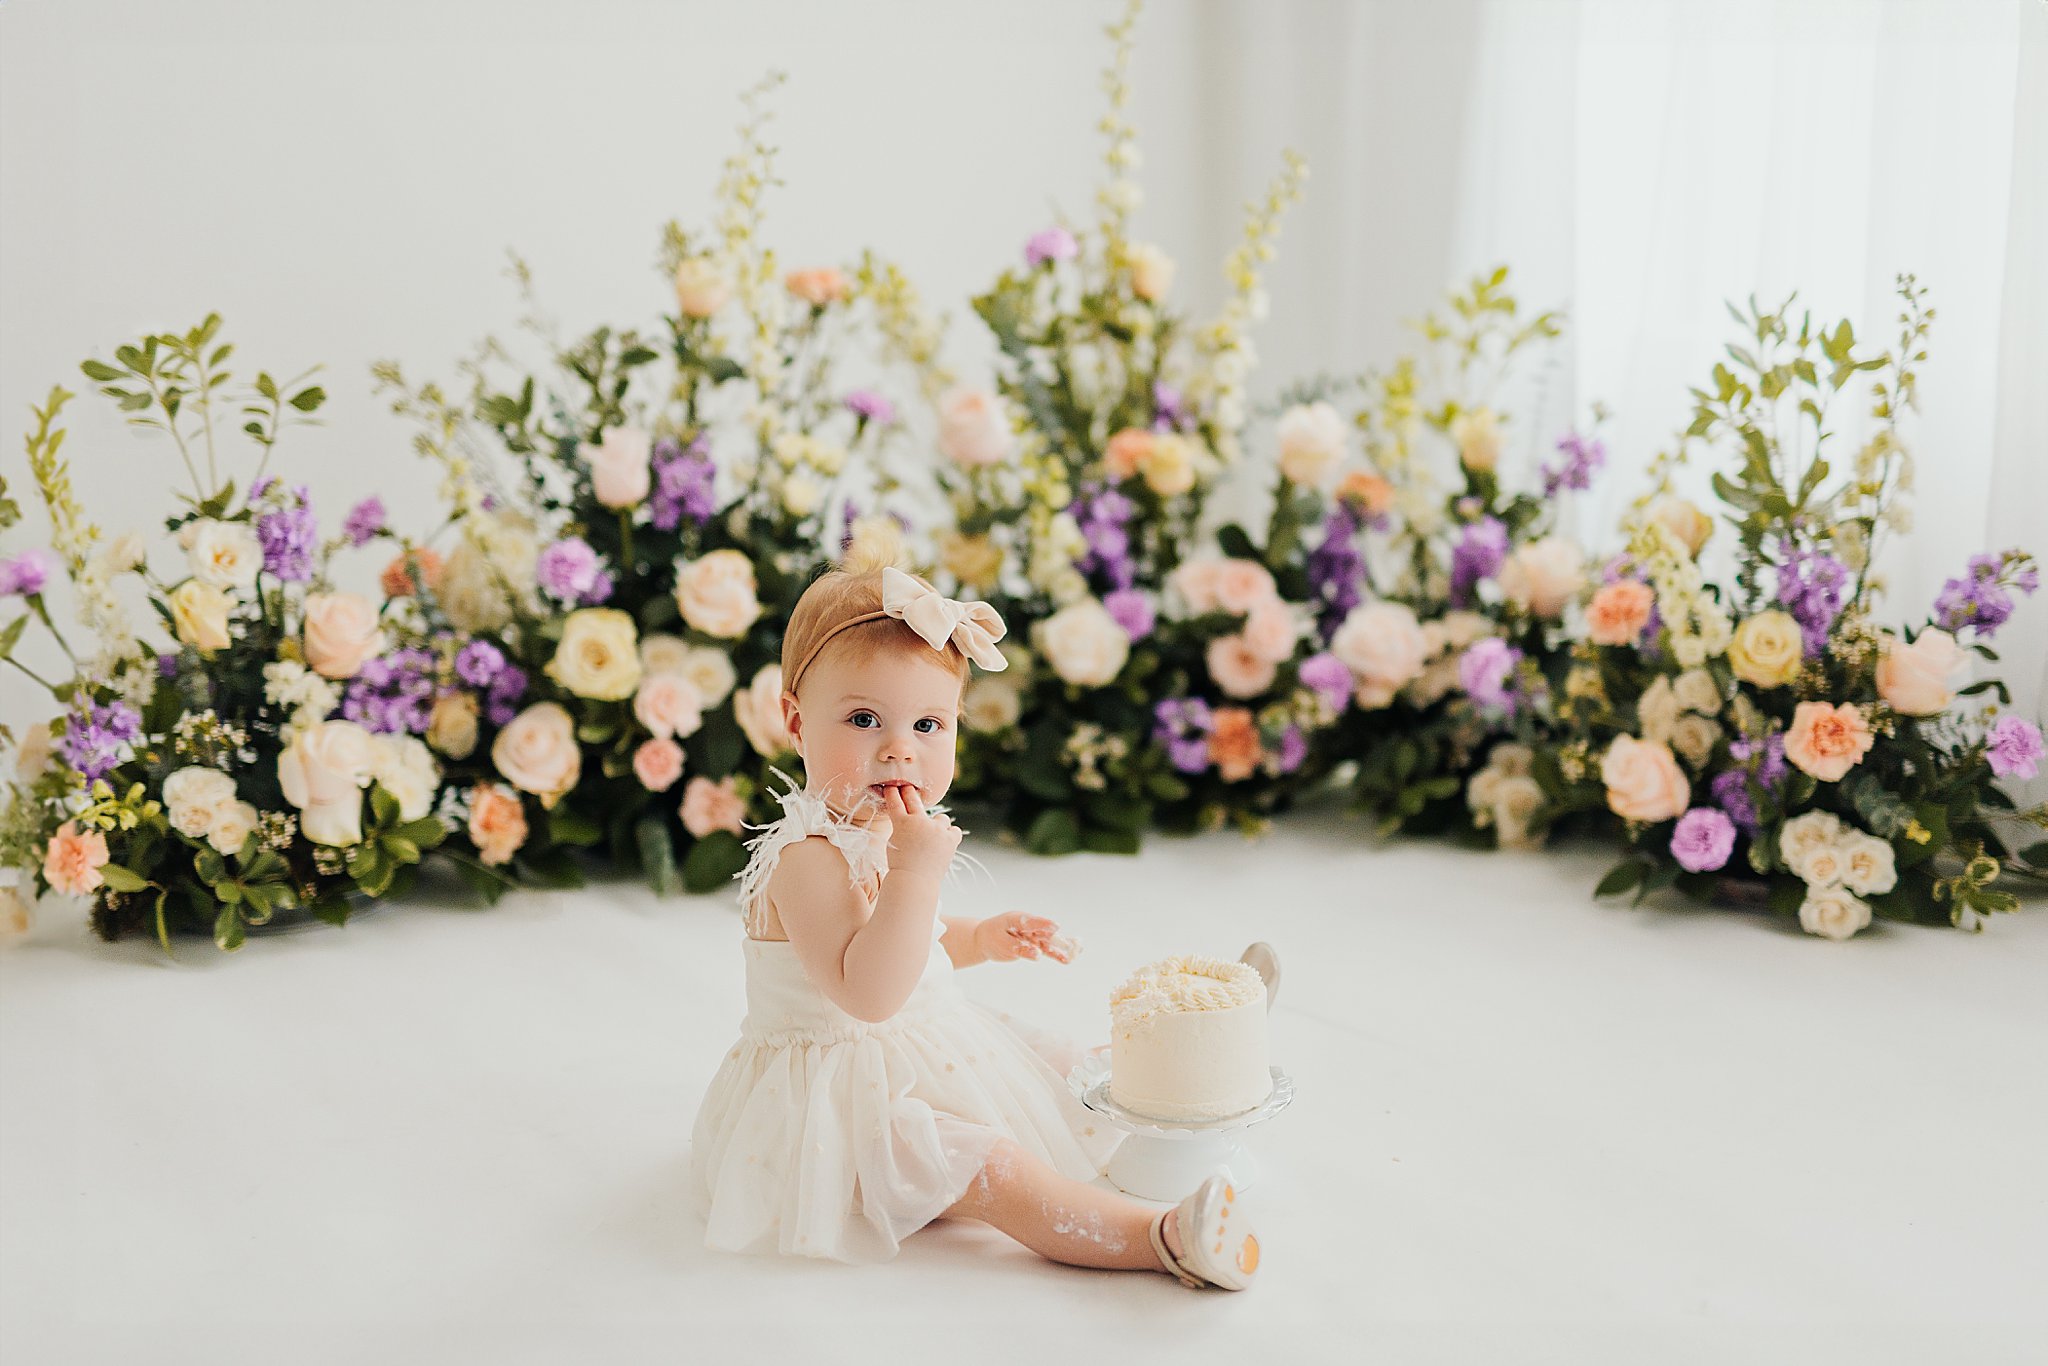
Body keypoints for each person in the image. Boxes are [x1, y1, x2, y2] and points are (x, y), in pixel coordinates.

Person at [689, 547, 1262, 1289]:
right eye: (865, 718)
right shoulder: (806, 859)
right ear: (796, 722)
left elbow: (912, 946)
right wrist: (915, 873)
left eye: (929, 724)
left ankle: (1205, 1080)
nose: (900, 748)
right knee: (994, 1169)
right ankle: (1159, 1238)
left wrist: (978, 938)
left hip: (918, 1045)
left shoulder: (875, 831)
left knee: (1065, 1060)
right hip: (843, 1105)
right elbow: (868, 990)